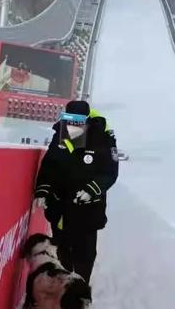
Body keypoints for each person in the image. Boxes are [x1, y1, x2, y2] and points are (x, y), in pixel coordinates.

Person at [33, 99, 118, 283]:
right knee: (62, 250)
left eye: (78, 121)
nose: (73, 125)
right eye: (69, 120)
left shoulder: (103, 137)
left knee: (85, 254)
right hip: (60, 208)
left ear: (86, 120)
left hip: (87, 209)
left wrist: (91, 190)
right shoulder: (61, 134)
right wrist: (43, 190)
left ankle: (80, 289)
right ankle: (64, 287)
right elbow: (49, 165)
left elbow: (110, 172)